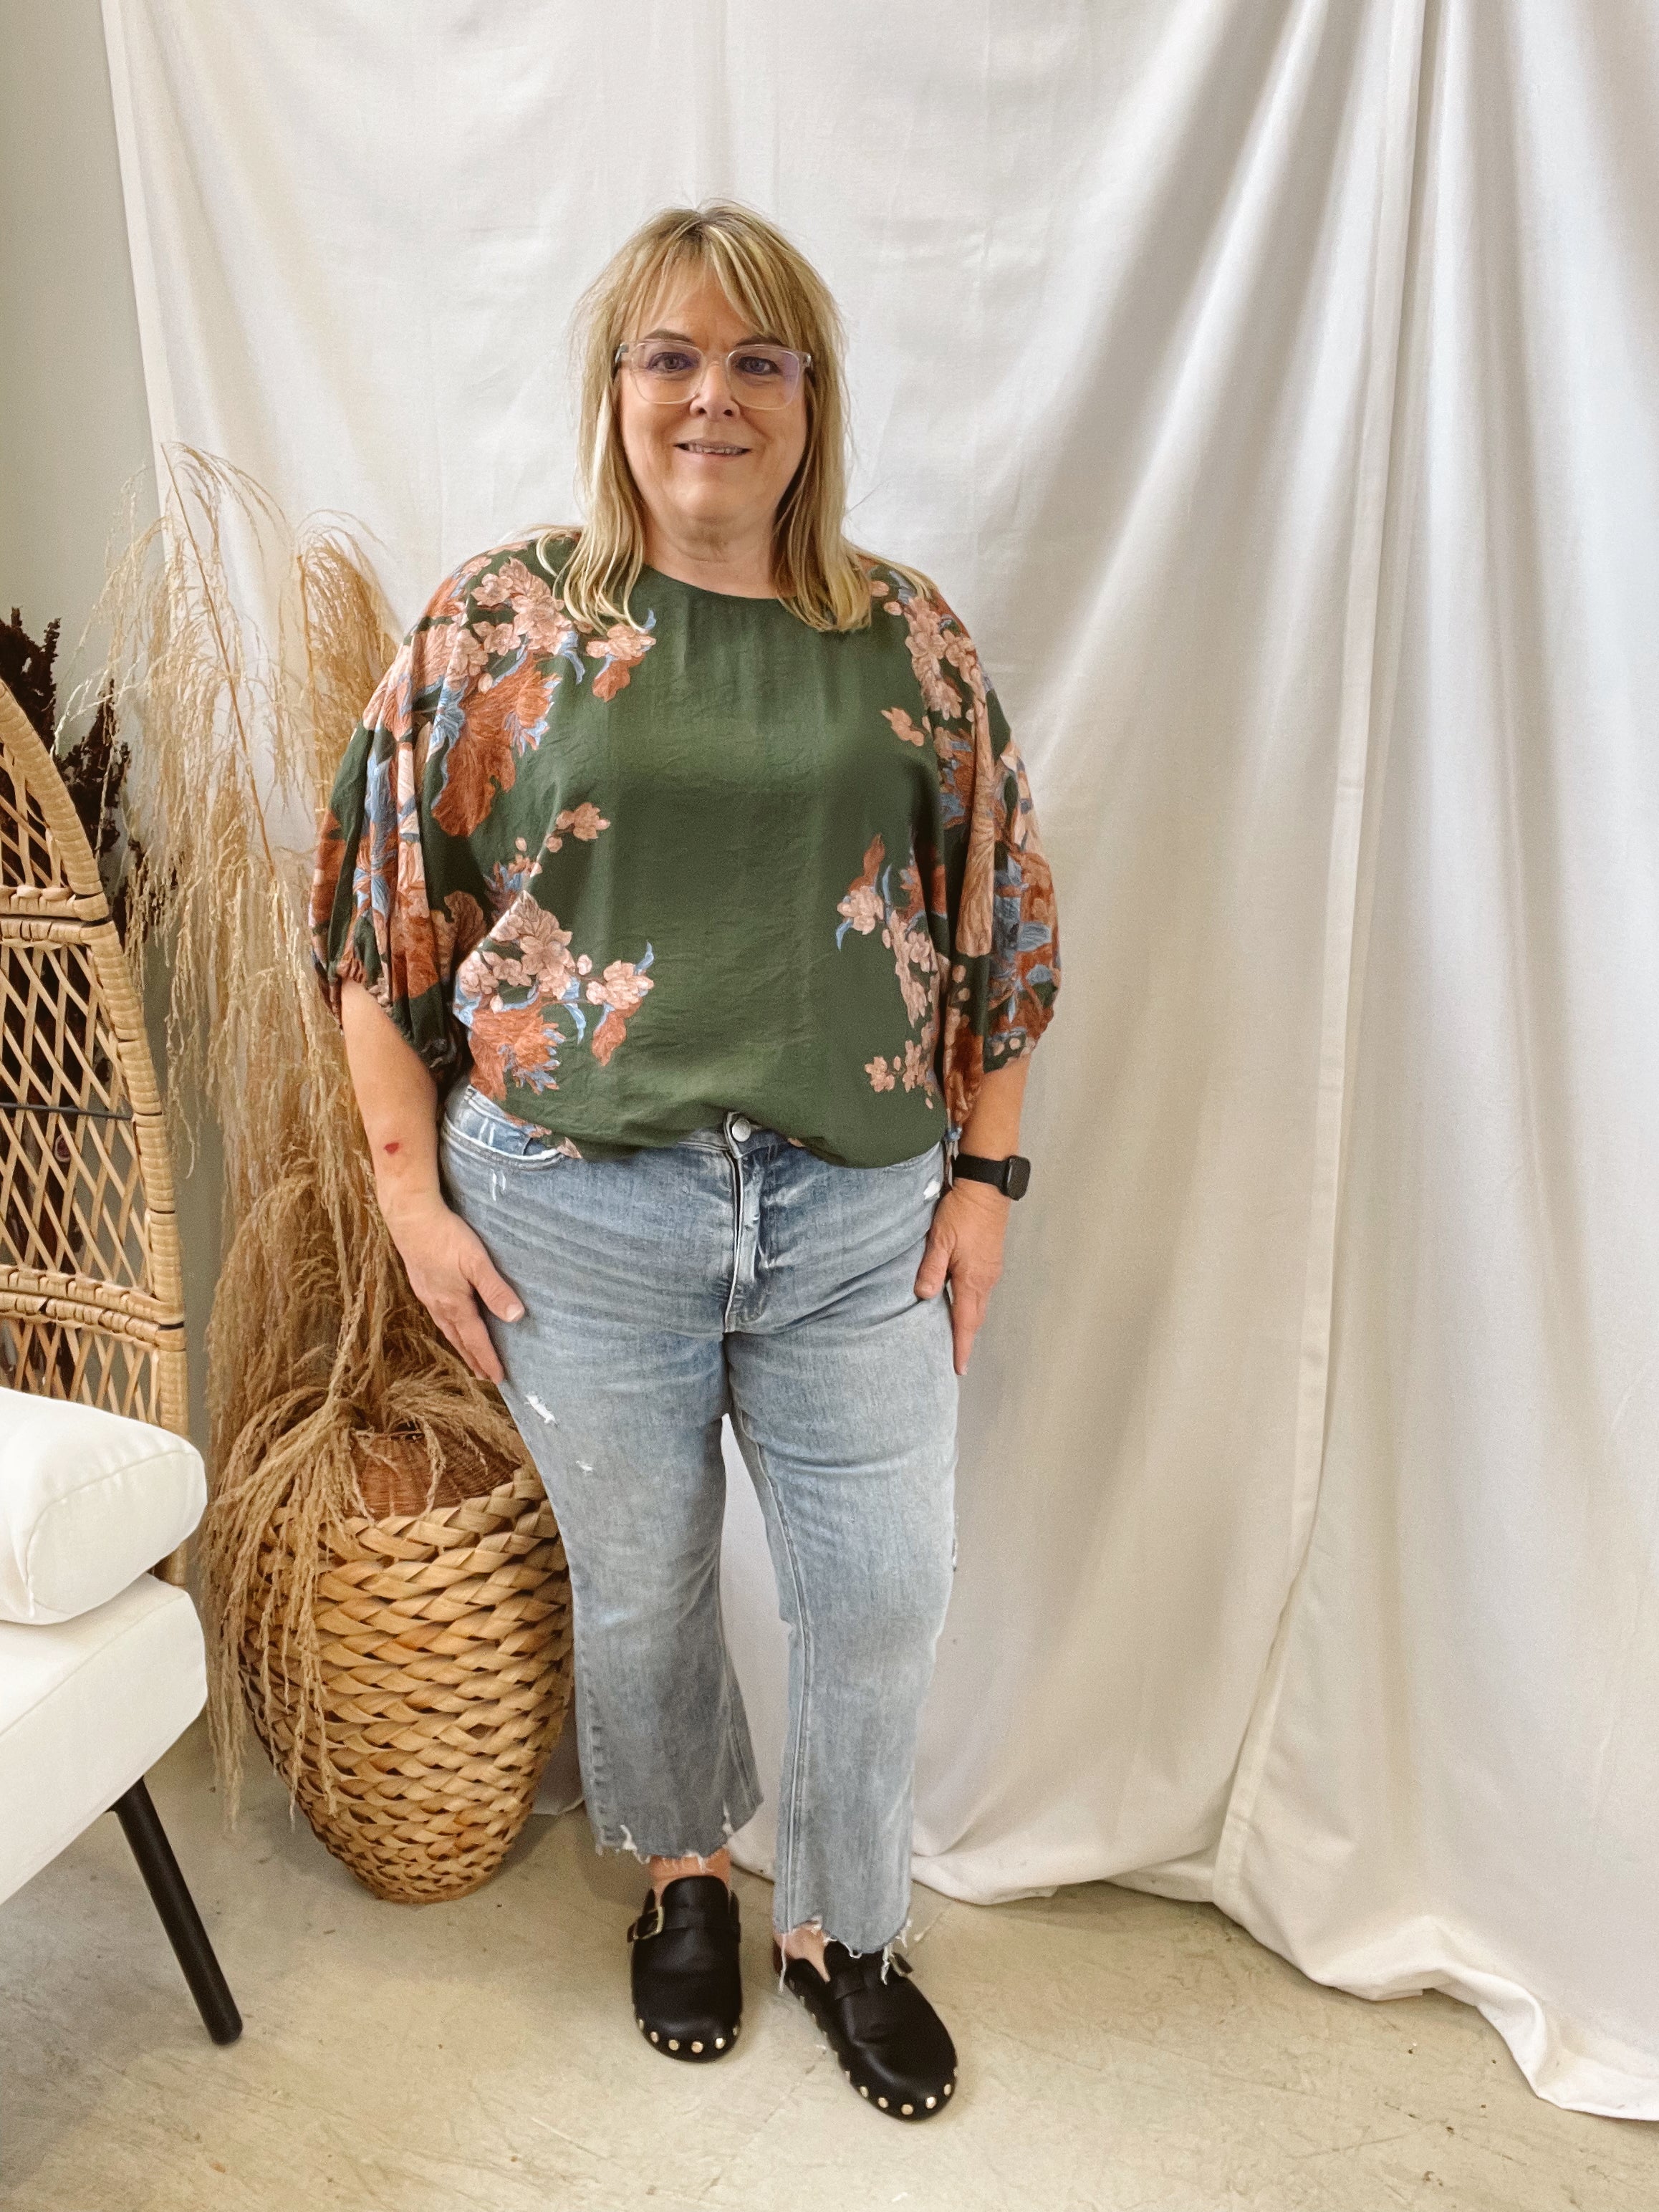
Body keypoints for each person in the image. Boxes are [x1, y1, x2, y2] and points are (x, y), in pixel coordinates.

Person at [310, 199, 1059, 2122]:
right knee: (641, 1587)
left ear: (810, 396)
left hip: (856, 1213)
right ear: (614, 387)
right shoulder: (500, 624)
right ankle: (683, 1875)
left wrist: (988, 1184)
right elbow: (379, 929)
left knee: (881, 1590)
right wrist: (408, 1202)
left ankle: (846, 1926)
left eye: (755, 360)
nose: (710, 396)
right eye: (669, 356)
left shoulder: (904, 638)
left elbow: (1000, 924)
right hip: (575, 1209)